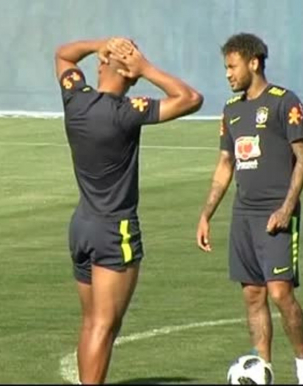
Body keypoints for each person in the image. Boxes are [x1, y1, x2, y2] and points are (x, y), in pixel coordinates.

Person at [55, 37, 203, 384]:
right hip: (114, 230)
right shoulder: (126, 113)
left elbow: (63, 54)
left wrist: (98, 43)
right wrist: (147, 69)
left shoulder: (76, 99)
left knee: (92, 322)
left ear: (102, 64)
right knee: (104, 327)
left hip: (82, 226)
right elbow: (191, 99)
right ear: (130, 73)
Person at [195, 33, 303, 385]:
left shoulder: (285, 102)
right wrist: (207, 213)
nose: (227, 74)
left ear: (254, 62)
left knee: (280, 293)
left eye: (232, 66)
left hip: (276, 215)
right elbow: (224, 166)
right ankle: (263, 371)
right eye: (225, 67)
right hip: (243, 215)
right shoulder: (231, 110)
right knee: (252, 294)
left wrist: (287, 208)